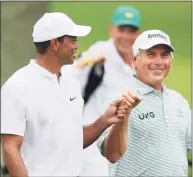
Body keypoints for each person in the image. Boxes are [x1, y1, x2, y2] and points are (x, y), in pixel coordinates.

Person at [1, 12, 138, 177]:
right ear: (54, 44)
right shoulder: (17, 86)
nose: (77, 46)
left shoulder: (70, 82)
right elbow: (10, 149)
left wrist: (103, 121)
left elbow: (74, 139)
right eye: (73, 39)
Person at [97, 29, 192, 176]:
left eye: (165, 55)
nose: (159, 62)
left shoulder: (179, 101)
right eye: (151, 54)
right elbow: (112, 154)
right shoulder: (118, 99)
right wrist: (124, 115)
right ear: (135, 60)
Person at [70, 6, 141, 176]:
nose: (126, 36)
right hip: (95, 145)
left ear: (138, 33)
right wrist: (88, 61)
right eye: (121, 29)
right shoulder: (100, 51)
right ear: (111, 30)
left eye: (131, 31)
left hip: (127, 146)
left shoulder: (143, 59)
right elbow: (68, 76)